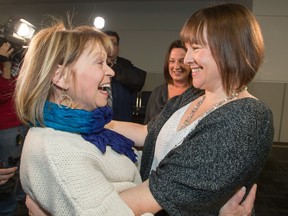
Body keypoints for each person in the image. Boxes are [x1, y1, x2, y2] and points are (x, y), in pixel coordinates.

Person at [15, 19, 257, 216]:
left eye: (108, 62)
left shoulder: (86, 128)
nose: (110, 71)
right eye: (100, 62)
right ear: (61, 77)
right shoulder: (56, 151)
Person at [106, 3, 274, 215]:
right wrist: (101, 123)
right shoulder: (193, 95)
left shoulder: (247, 116)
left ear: (229, 48)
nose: (186, 59)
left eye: (196, 48)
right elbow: (147, 132)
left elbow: (157, 194)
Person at [0, 42, 28, 215]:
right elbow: (5, 93)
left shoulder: (20, 62)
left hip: (16, 125)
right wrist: (5, 63)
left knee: (16, 171)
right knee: (6, 174)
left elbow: (15, 91)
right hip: (6, 127)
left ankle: (17, 205)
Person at [144, 39, 192, 124]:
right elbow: (146, 124)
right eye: (172, 61)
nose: (176, 66)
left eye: (182, 61)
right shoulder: (157, 92)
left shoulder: (199, 94)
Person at [104, 30, 147, 122]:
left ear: (118, 47)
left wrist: (113, 67)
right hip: (99, 118)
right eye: (107, 43)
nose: (111, 46)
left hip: (122, 118)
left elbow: (138, 81)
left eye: (114, 43)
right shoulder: (94, 64)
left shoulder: (125, 64)